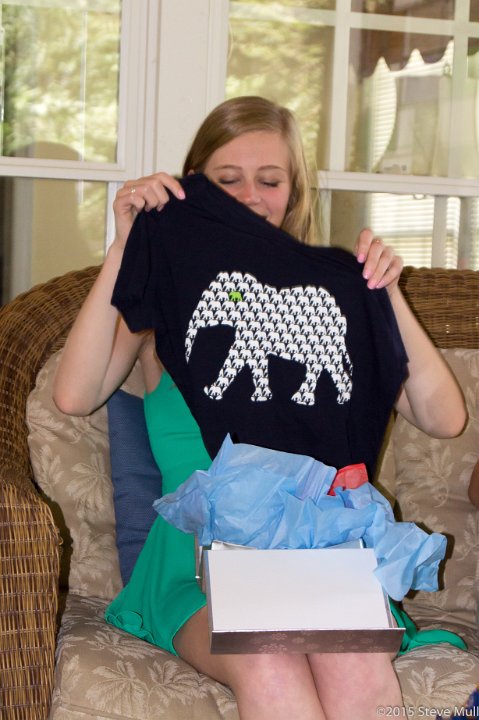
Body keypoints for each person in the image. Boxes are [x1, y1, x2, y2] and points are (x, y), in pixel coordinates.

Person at [53, 96, 467, 720]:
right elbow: (75, 394)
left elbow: (444, 418)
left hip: (319, 558)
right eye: (228, 180)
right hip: (198, 566)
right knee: (268, 660)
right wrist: (126, 248)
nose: (251, 196)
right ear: (195, 185)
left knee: (354, 664)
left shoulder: (330, 292)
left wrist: (386, 296)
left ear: (294, 191)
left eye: (270, 180)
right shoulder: (170, 295)